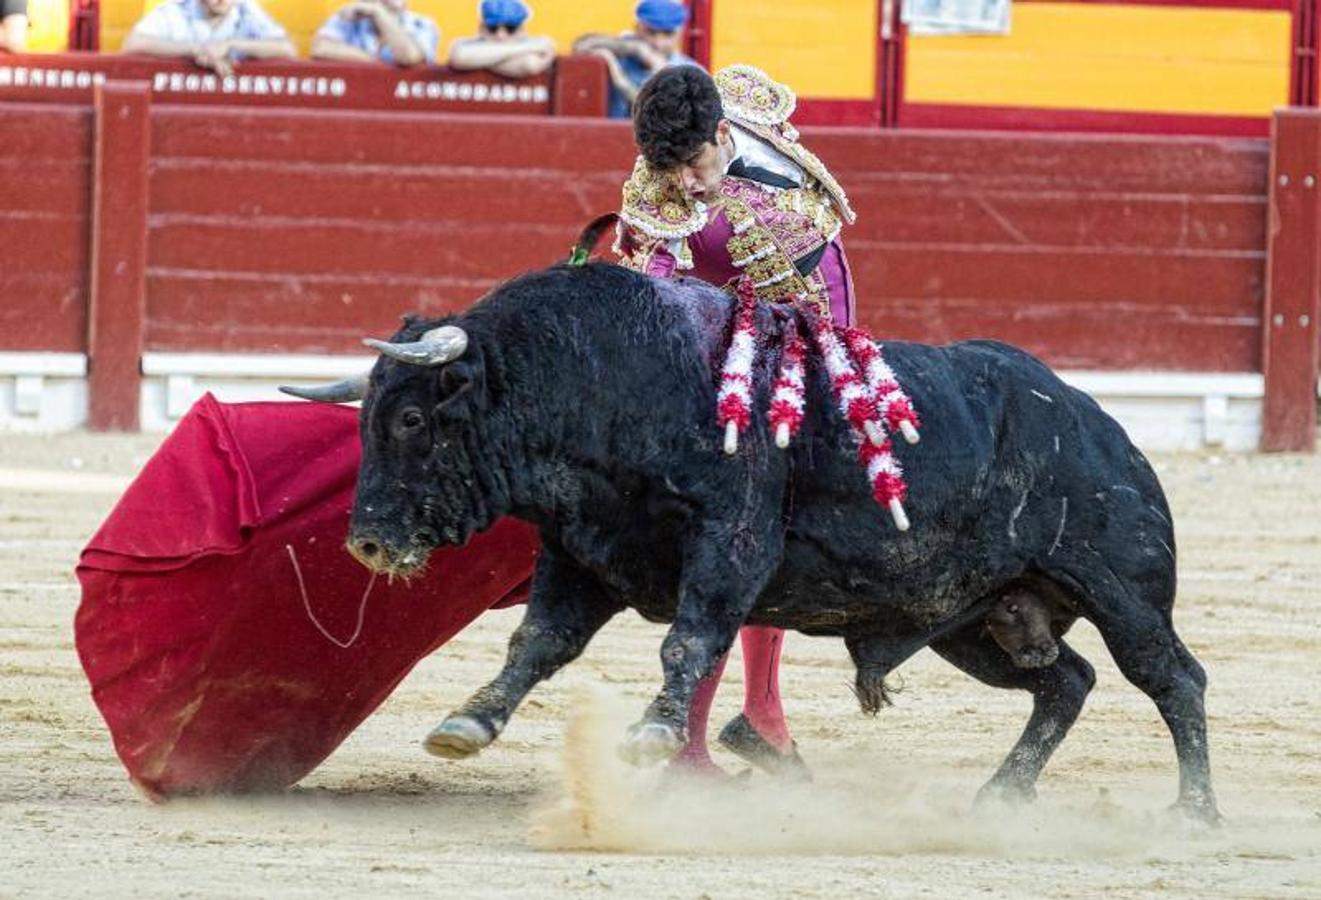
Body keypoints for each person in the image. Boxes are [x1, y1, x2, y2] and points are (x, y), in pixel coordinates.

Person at [613, 64, 859, 778]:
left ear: (724, 131)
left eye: (693, 165)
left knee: (776, 536)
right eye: (670, 170)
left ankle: (759, 715)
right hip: (743, 373)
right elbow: (651, 300)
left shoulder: (750, 114)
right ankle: (701, 737)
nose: (685, 185)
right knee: (743, 536)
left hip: (820, 344)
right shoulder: (660, 201)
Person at [573, 0, 696, 119]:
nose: (658, 43)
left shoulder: (691, 71)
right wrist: (635, 48)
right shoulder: (625, 53)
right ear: (637, 28)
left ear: (680, 33)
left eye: (668, 34)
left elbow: (657, 116)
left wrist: (618, 77)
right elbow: (581, 46)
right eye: (651, 32)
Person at [121, 0, 295, 77]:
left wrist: (230, 45)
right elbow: (132, 44)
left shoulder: (247, 10)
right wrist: (196, 50)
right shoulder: (175, 9)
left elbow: (287, 49)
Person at [311, 0, 439, 67]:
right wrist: (373, 61)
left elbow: (409, 57)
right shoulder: (351, 17)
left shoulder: (422, 24)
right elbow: (320, 48)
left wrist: (379, 12)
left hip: (406, 107)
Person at [447, 0, 555, 78]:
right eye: (492, 28)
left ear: (522, 30)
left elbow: (529, 65)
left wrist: (479, 59)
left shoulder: (539, 42)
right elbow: (459, 57)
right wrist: (526, 49)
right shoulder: (535, 47)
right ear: (481, 29)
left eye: (510, 29)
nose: (500, 35)